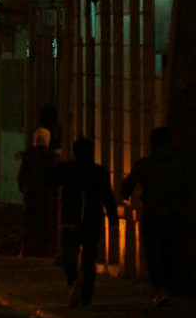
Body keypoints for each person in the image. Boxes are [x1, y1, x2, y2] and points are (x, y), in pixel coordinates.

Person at [120, 127, 194, 306]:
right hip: (172, 216)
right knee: (170, 253)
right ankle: (167, 288)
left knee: (154, 254)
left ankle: (161, 289)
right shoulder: (178, 166)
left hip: (152, 215)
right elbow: (188, 191)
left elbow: (126, 189)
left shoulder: (144, 165)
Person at [52, 137, 117, 307]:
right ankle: (86, 296)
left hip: (71, 219)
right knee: (89, 259)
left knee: (69, 257)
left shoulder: (67, 169)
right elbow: (107, 196)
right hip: (92, 221)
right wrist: (113, 219)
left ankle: (74, 282)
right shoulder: (99, 171)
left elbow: (51, 181)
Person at [17, 127, 57, 257]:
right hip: (46, 197)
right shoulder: (51, 156)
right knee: (45, 225)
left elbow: (21, 177)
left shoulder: (28, 155)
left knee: (29, 225)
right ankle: (45, 251)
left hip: (30, 197)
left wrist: (25, 189)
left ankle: (28, 250)